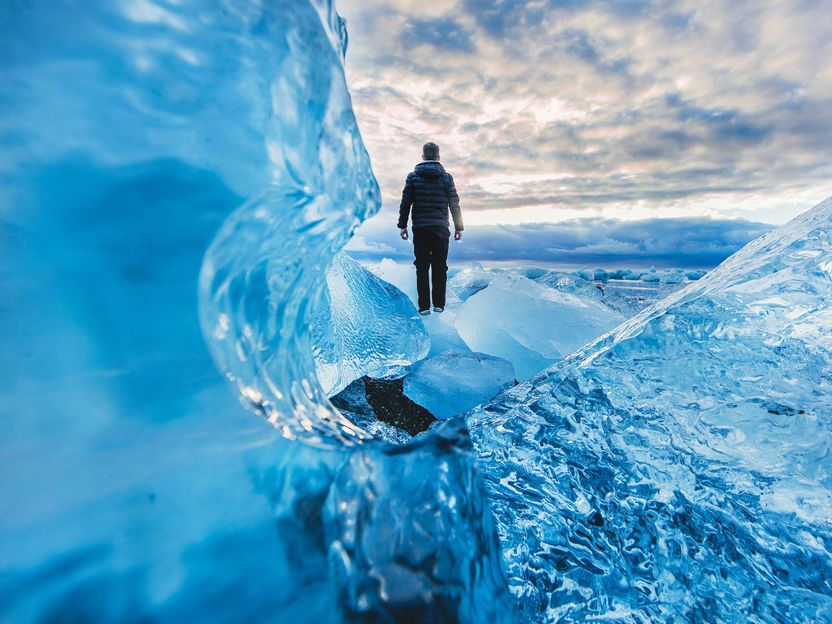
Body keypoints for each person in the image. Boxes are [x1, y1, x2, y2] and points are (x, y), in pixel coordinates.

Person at [397, 142, 464, 315]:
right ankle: (439, 305)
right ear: (438, 157)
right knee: (440, 266)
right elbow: (454, 204)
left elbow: (406, 203)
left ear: (423, 157)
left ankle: (424, 307)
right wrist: (459, 227)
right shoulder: (446, 178)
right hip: (441, 228)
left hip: (420, 228)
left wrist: (402, 225)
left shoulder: (413, 177)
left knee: (422, 267)